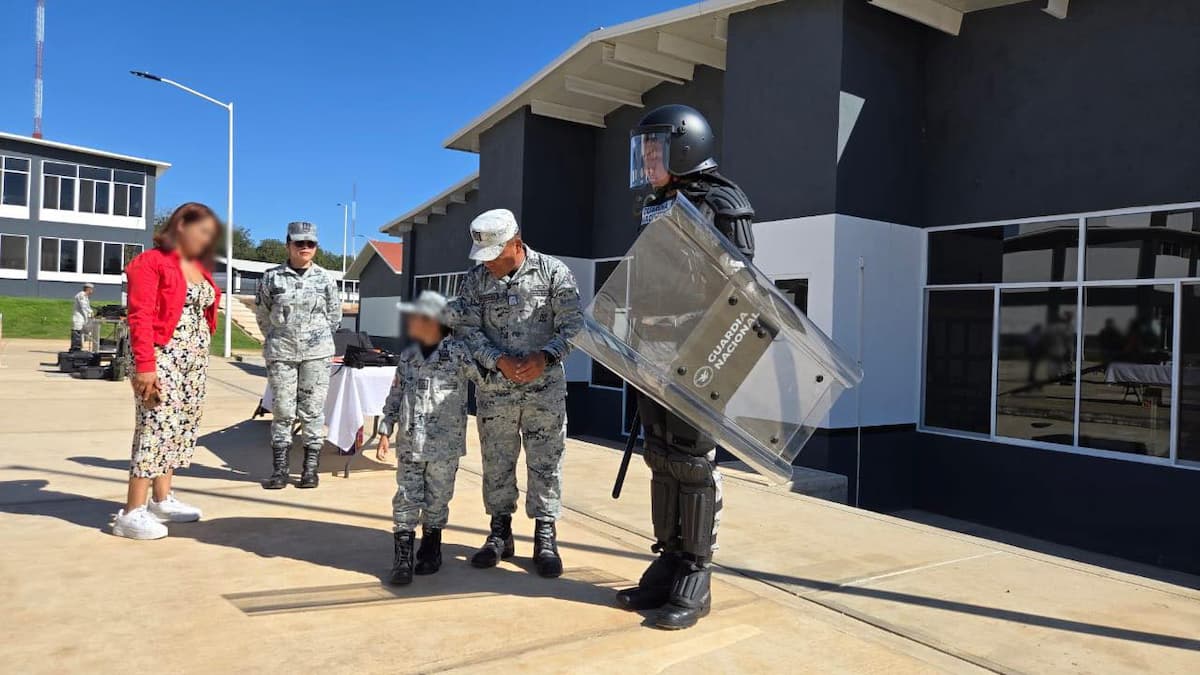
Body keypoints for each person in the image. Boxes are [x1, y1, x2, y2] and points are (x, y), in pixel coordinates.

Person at [616, 104, 756, 630]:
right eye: (645, 151)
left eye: (656, 150)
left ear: (685, 147)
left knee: (694, 463)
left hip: (700, 351)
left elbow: (742, 286)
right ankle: (670, 558)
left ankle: (697, 574)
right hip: (653, 350)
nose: (648, 160)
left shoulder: (722, 199)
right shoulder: (653, 204)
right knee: (661, 455)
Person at [447, 208, 582, 578]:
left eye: (495, 256)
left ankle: (545, 536)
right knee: (497, 462)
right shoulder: (475, 282)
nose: (488, 264)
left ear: (516, 244)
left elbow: (574, 326)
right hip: (496, 391)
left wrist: (546, 356)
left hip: (545, 391)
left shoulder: (554, 273)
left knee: (546, 462)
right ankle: (499, 533)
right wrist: (496, 361)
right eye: (483, 257)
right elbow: (466, 330)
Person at [112, 202, 221, 540]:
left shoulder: (195, 267)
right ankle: (131, 512)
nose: (206, 240)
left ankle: (162, 499)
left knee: (178, 425)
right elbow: (140, 315)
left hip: (191, 361)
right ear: (181, 226)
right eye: (202, 232)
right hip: (160, 357)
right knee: (155, 426)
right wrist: (145, 367)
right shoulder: (150, 262)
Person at [378, 290, 480, 585]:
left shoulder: (460, 353)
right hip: (410, 441)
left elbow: (486, 380)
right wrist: (386, 429)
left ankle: (432, 549)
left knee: (438, 500)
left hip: (445, 445)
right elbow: (396, 393)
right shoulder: (409, 355)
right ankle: (402, 559)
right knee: (406, 498)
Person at [256, 221, 343, 490]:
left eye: (311, 243)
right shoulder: (272, 277)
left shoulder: (326, 279)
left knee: (313, 411)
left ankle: (309, 470)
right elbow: (262, 315)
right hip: (281, 353)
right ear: (288, 245)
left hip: (316, 354)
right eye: (299, 243)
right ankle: (280, 470)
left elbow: (334, 316)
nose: (305, 247)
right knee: (282, 410)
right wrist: (280, 335)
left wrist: (313, 338)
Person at [70, 282, 95, 351]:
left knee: (81, 335)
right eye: (91, 289)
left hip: (82, 319)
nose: (92, 291)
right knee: (77, 334)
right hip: (78, 319)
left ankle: (78, 349)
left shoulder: (86, 297)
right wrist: (91, 312)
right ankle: (75, 349)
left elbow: (87, 307)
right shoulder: (81, 295)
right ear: (88, 289)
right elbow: (83, 306)